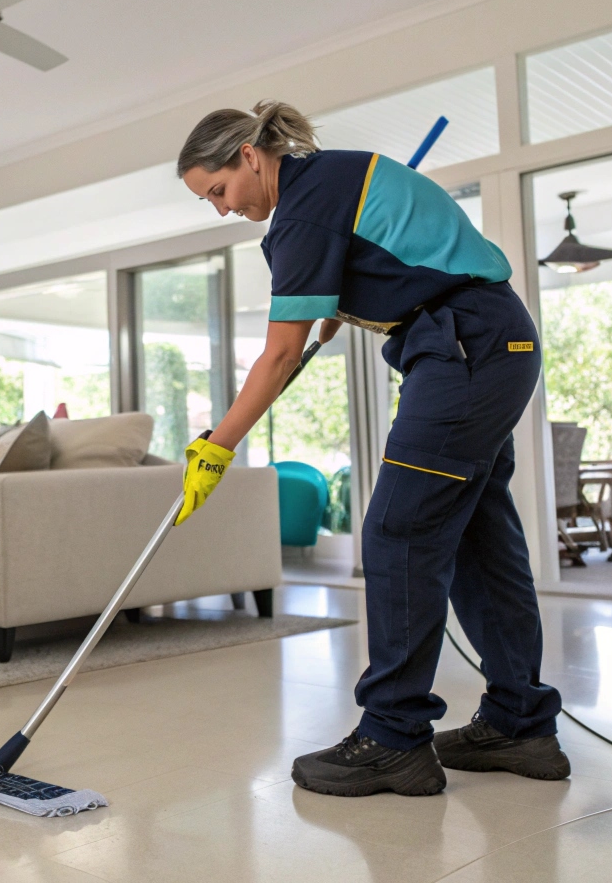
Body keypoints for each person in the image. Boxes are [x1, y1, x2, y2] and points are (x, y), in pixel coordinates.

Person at [176, 102, 567, 797]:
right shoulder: (327, 186)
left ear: (248, 156)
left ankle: (392, 738)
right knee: (478, 537)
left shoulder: (303, 210)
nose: (221, 209)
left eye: (218, 191)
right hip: (485, 341)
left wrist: (216, 448)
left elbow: (278, 356)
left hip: (463, 348)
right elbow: (390, 269)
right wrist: (346, 296)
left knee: (397, 533)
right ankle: (521, 725)